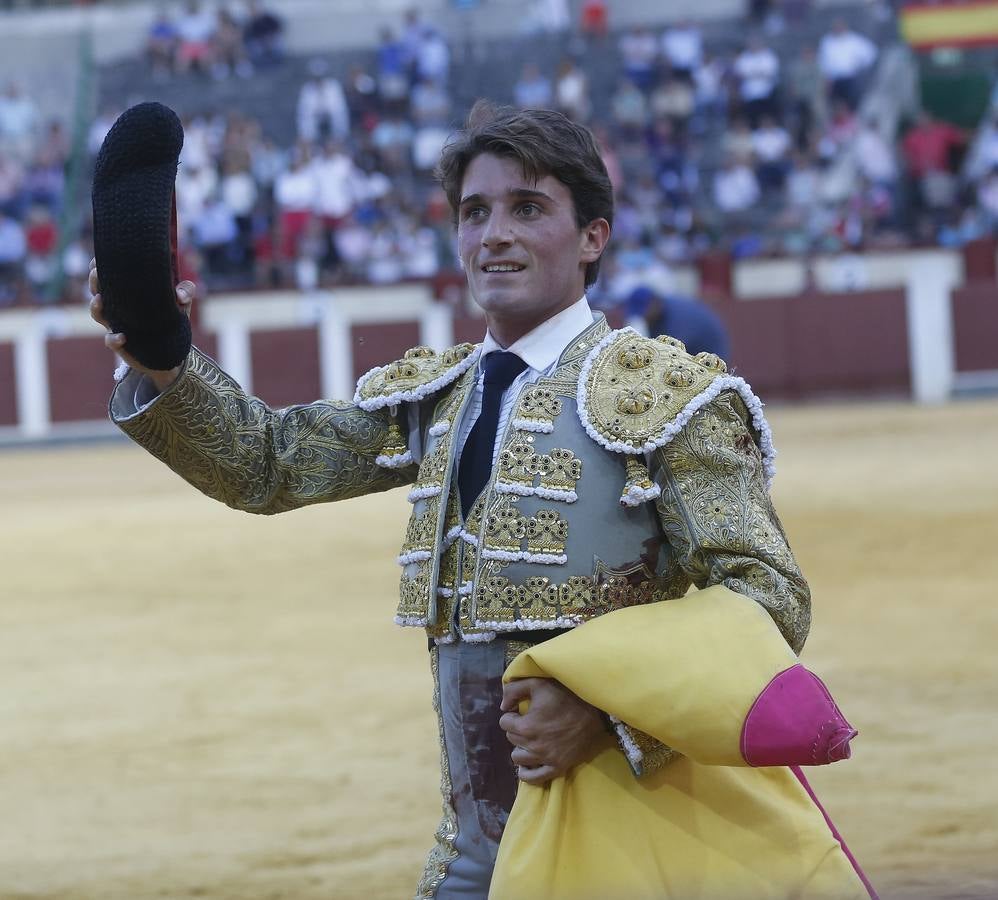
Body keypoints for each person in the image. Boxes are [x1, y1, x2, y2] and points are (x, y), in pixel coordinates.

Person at [90, 103, 873, 899]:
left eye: (527, 209)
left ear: (592, 237)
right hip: (471, 852)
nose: (494, 233)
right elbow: (266, 463)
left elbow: (769, 597)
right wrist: (164, 357)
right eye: (475, 213)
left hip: (622, 836)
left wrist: (613, 718)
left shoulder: (669, 397)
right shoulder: (438, 397)